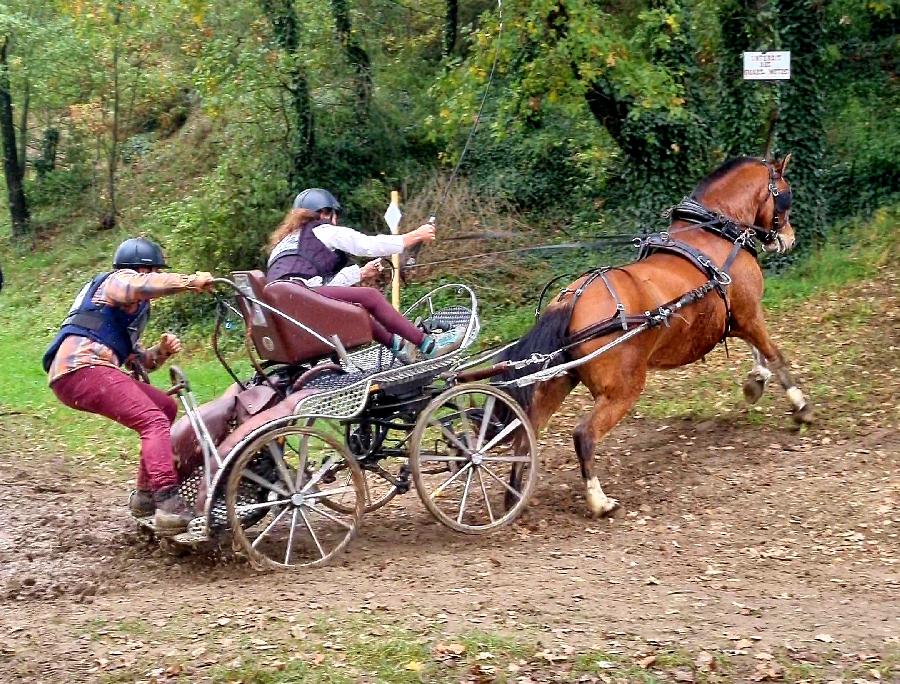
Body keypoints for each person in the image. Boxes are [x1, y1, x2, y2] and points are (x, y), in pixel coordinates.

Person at [42, 237, 215, 535]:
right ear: (137, 268)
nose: (153, 277)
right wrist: (189, 282)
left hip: (84, 371)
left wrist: (161, 352)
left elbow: (140, 361)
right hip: (81, 368)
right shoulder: (117, 281)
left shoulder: (124, 311)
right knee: (153, 420)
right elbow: (137, 286)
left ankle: (145, 497)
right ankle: (168, 502)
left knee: (164, 406)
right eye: (151, 270)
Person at [266, 188, 465, 362]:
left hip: (285, 310)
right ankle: (429, 346)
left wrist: (360, 273)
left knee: (352, 306)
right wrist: (415, 236)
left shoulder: (285, 244)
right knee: (370, 296)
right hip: (300, 301)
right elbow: (367, 245)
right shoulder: (323, 231)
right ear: (325, 213)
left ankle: (399, 346)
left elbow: (317, 288)